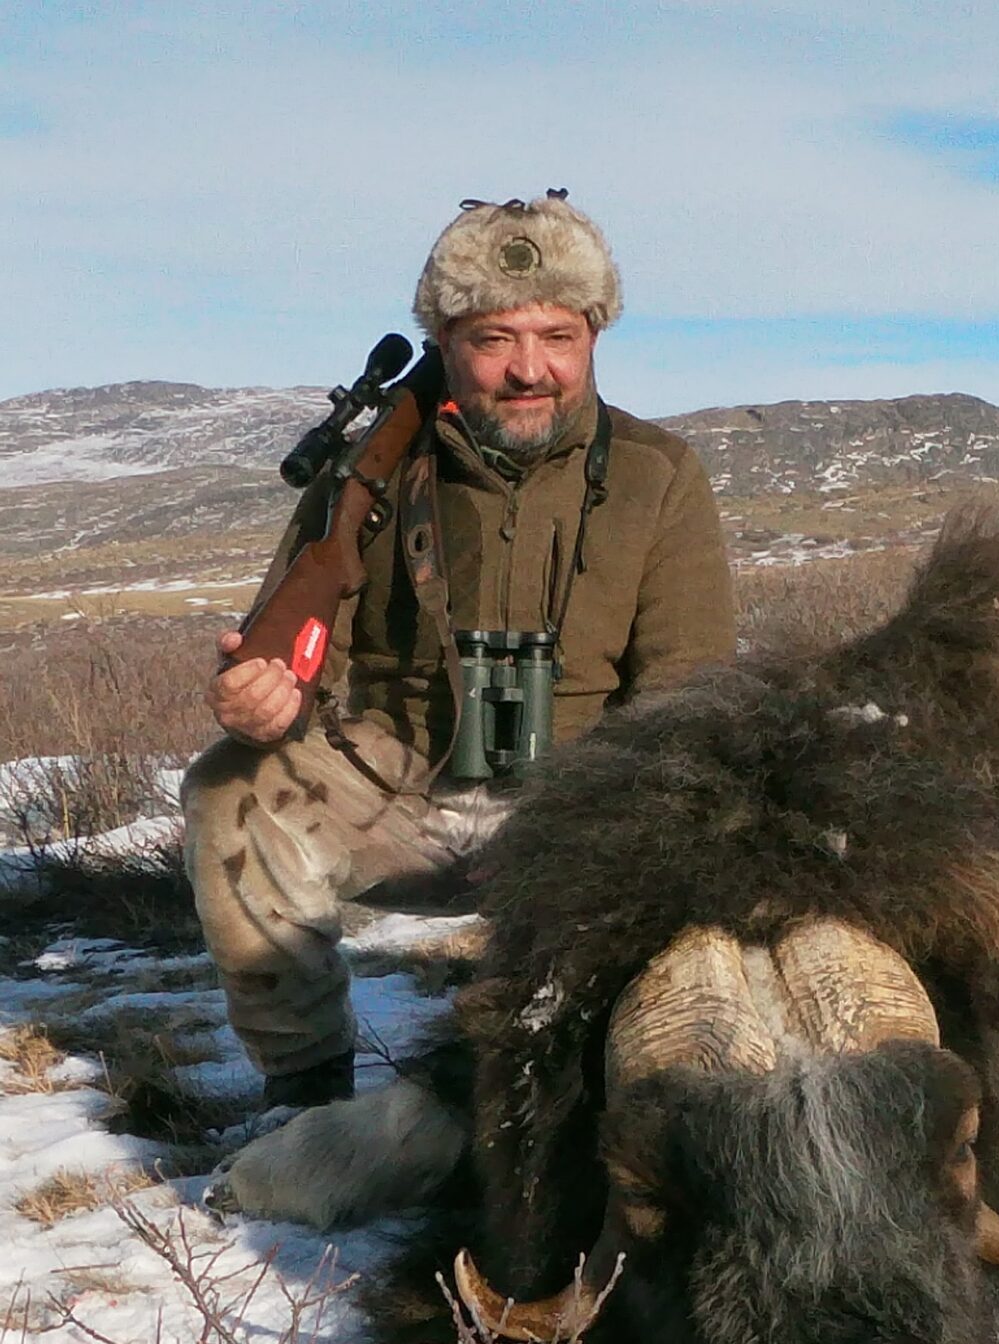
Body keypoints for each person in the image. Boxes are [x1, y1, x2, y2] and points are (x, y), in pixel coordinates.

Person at [180, 192, 735, 1108]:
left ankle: (627, 1084)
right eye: (493, 339)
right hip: (398, 784)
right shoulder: (364, 476)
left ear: (595, 335)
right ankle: (305, 1093)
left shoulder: (659, 474)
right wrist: (259, 699)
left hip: (584, 799)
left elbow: (688, 694)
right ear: (443, 341)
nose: (529, 369)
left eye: (557, 336)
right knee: (228, 789)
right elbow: (292, 659)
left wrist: (582, 823)